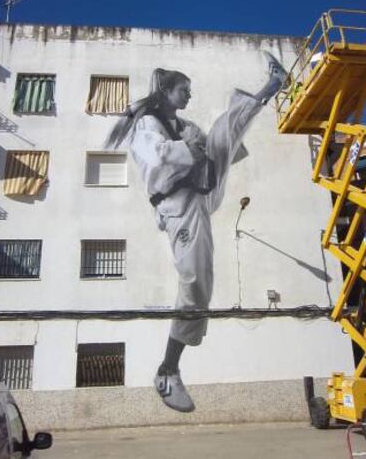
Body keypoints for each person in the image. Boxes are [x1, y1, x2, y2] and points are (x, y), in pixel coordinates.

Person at [106, 53, 288, 413]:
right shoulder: (147, 125)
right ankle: (168, 369)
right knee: (197, 282)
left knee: (223, 129)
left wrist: (203, 146)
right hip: (179, 206)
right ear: (166, 91)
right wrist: (189, 148)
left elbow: (208, 142)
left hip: (204, 193)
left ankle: (272, 84)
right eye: (183, 90)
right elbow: (155, 157)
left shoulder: (184, 126)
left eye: (189, 91)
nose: (189, 96)